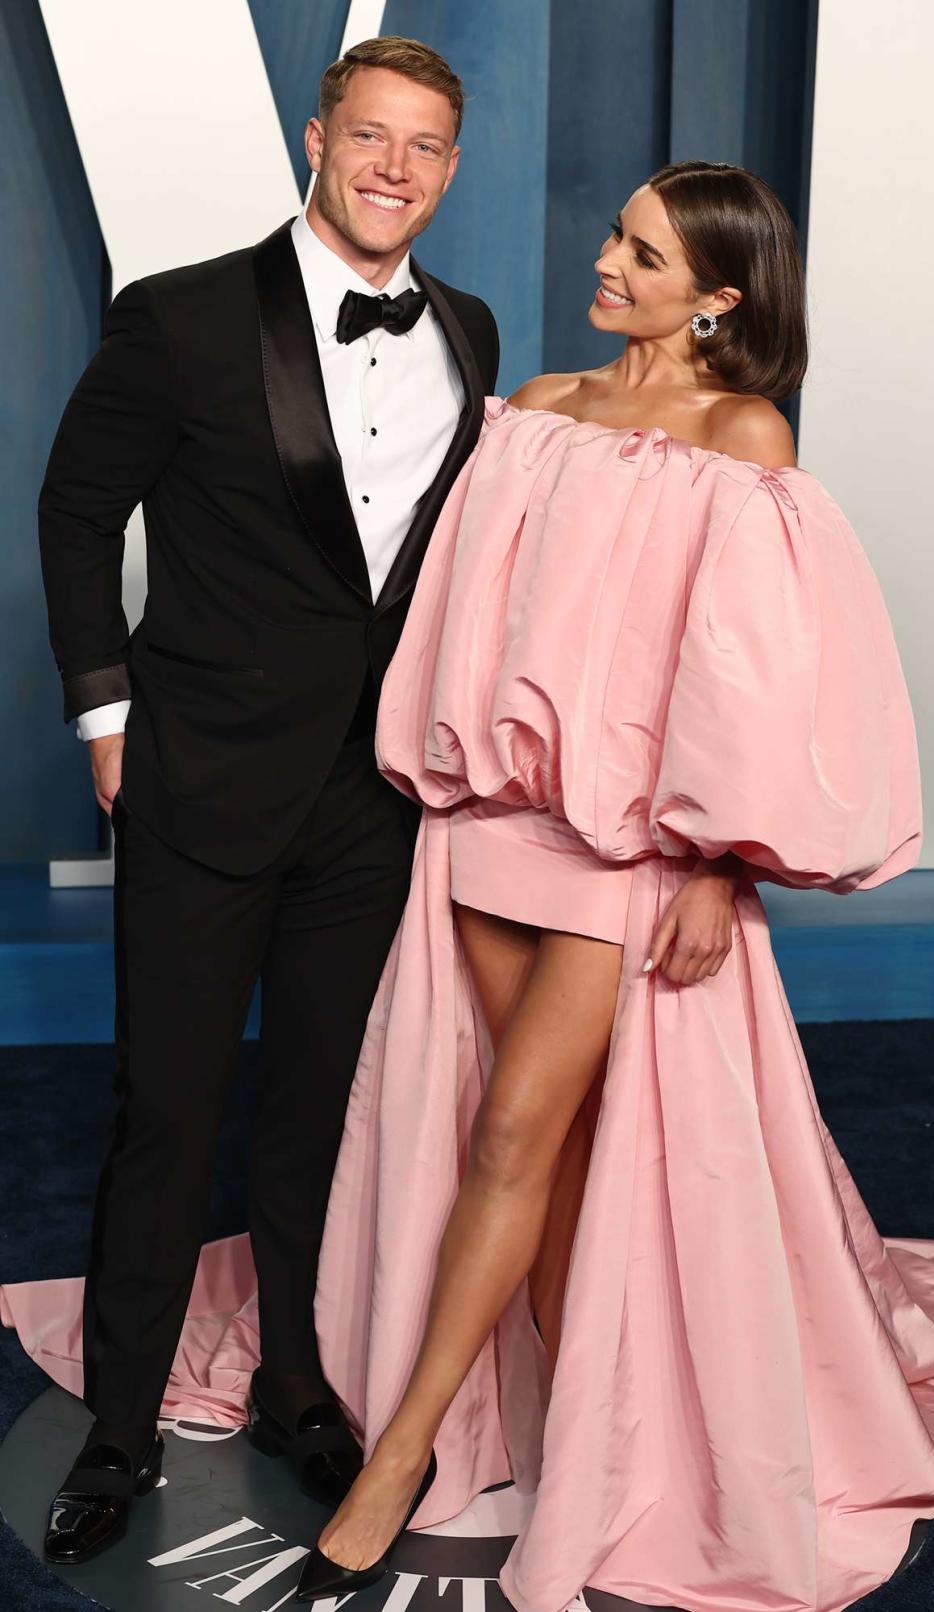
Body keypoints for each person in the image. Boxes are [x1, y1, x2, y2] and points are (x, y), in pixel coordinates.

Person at [295, 162, 934, 1609]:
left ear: (718, 296)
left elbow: (749, 676)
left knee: (511, 1136)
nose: (606, 260)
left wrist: (719, 864)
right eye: (614, 233)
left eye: (643, 252)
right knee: (554, 1154)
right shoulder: (533, 412)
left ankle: (400, 1453)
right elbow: (475, 620)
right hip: (491, 831)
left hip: (628, 856)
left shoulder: (743, 434)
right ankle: (578, 1422)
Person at [33, 34, 498, 1565]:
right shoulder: (178, 318)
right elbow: (74, 507)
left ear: (448, 165)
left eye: (425, 146)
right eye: (371, 137)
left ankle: (299, 1383)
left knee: (313, 1113)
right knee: (168, 1115)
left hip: (371, 803)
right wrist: (106, 713)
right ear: (317, 139)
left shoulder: (472, 335)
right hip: (198, 780)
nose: (394, 169)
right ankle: (118, 1426)